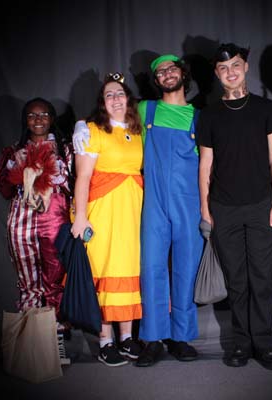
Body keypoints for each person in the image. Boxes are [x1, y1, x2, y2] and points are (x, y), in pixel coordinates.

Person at [73, 55, 204, 367]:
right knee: (151, 269)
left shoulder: (200, 117)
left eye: (172, 69)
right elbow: (111, 116)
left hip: (187, 203)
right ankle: (153, 338)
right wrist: (81, 124)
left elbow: (208, 165)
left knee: (185, 269)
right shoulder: (146, 110)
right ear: (155, 81)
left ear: (183, 74)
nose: (167, 74)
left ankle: (181, 337)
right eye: (161, 71)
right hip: (152, 203)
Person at [197, 43, 272, 370]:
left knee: (261, 279)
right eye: (223, 68)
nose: (230, 72)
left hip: (262, 205)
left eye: (236, 65)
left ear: (246, 67)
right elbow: (205, 165)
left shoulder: (265, 108)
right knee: (236, 280)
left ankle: (264, 345)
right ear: (217, 74)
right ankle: (241, 344)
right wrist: (205, 207)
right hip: (224, 207)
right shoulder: (209, 114)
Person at [71, 73, 144, 367]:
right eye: (108, 95)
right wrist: (81, 217)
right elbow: (83, 177)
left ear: (128, 98)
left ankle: (126, 337)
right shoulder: (92, 130)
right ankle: (105, 341)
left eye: (119, 93)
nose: (115, 99)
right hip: (101, 211)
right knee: (103, 271)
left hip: (131, 211)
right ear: (102, 102)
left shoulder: (137, 131)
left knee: (126, 270)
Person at [0, 97, 74, 365]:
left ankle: (56, 343)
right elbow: (5, 190)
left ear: (52, 118)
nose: (38, 120)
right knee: (29, 283)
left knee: (55, 281)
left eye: (44, 114)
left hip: (55, 221)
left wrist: (54, 173)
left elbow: (75, 185)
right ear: (25, 120)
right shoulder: (13, 150)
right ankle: (32, 348)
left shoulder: (64, 149)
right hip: (21, 223)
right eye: (32, 115)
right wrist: (14, 167)